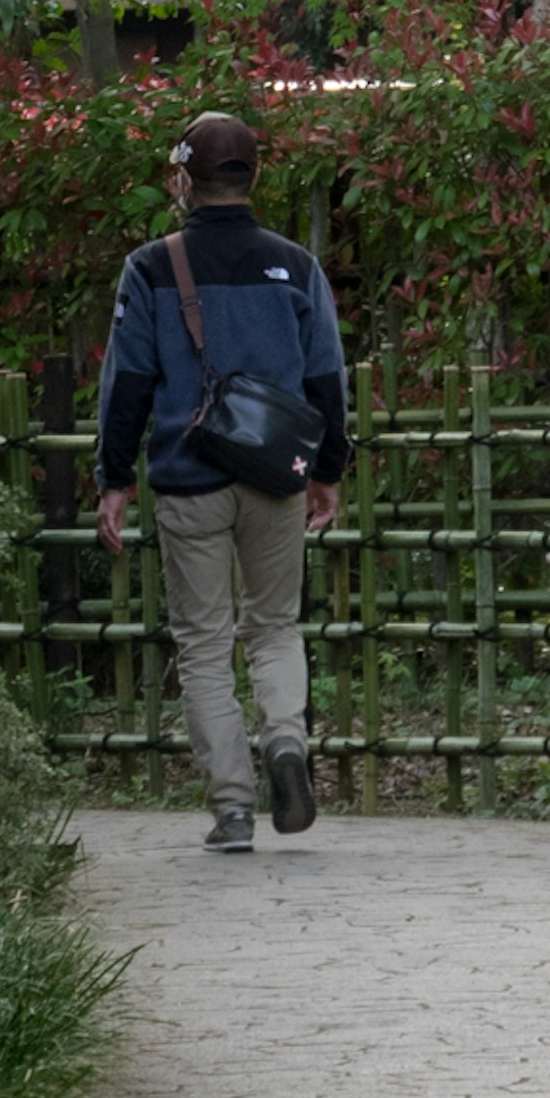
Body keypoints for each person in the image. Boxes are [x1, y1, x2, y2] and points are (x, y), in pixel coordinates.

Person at [93, 108, 348, 852]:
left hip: (187, 475)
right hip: (274, 475)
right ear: (255, 176)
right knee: (273, 625)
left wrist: (114, 478)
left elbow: (128, 381)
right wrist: (327, 471)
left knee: (203, 643)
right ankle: (288, 746)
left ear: (182, 179)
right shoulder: (297, 265)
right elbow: (326, 378)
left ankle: (233, 809)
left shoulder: (150, 267)